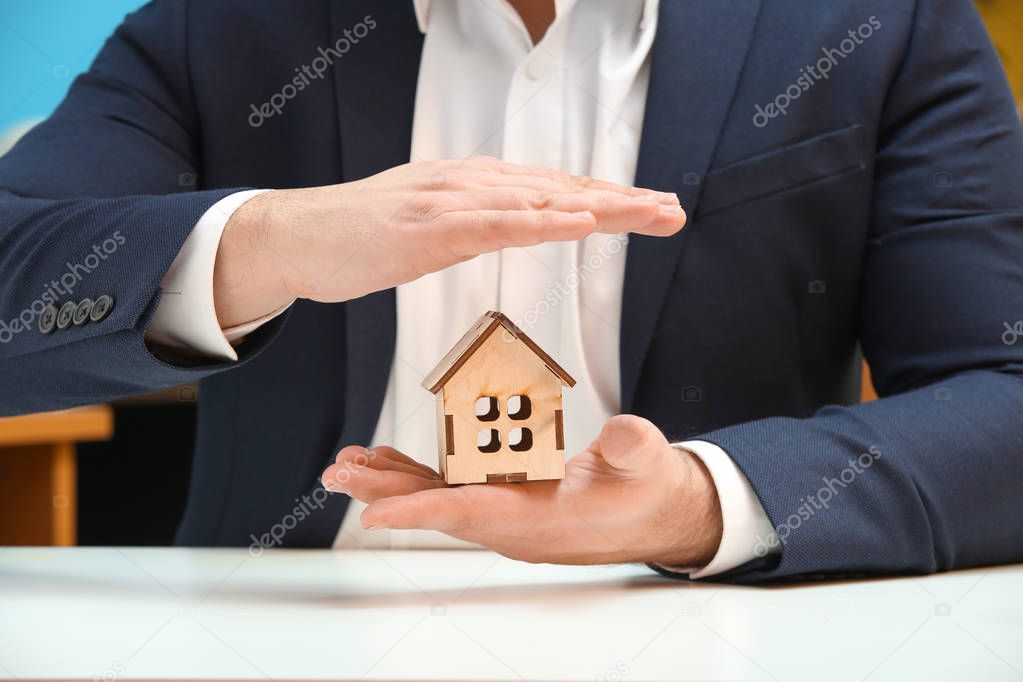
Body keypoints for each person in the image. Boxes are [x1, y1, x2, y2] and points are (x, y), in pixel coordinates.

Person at [1, 0, 1021, 583]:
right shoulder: (222, 26)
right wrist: (267, 239)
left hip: (720, 630)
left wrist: (699, 503)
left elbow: (1006, 398)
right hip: (273, 638)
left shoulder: (879, 25)